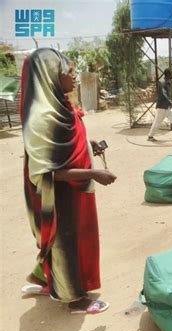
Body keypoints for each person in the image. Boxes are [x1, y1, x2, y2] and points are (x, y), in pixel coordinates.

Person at [20, 48, 117, 314]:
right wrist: (93, 173)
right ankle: (74, 299)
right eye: (68, 73)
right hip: (58, 194)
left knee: (75, 238)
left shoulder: (60, 106)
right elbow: (48, 171)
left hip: (76, 192)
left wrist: (88, 145)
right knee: (64, 240)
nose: (74, 78)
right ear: (50, 76)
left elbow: (68, 142)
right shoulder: (41, 118)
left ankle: (42, 278)